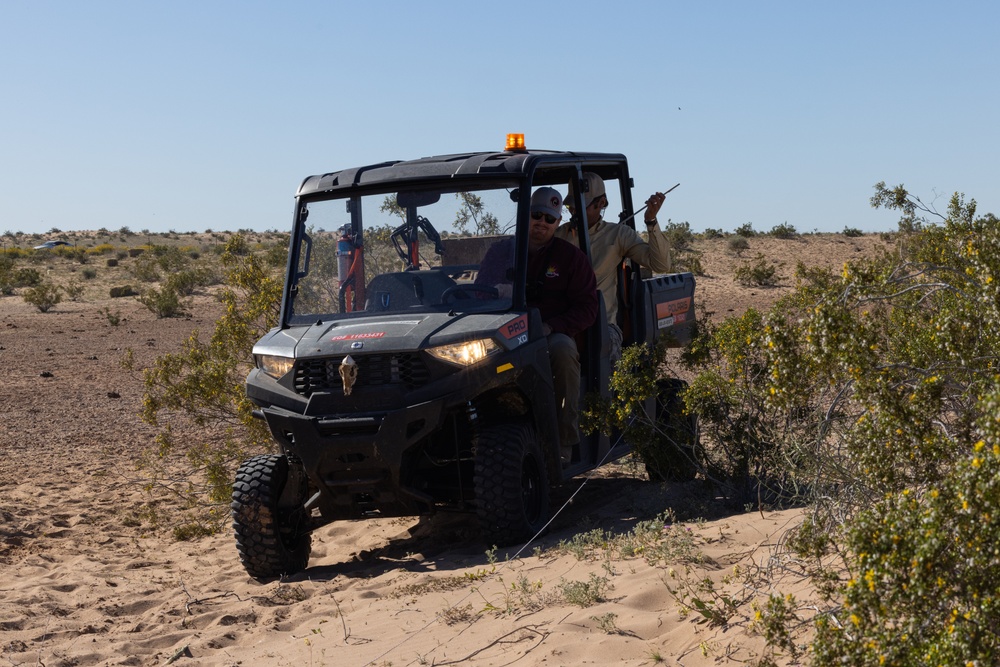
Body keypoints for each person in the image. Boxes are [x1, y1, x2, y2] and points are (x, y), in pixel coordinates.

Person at [476, 187, 598, 463]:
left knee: (563, 352)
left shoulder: (571, 258)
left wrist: (552, 326)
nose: (541, 222)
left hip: (547, 334)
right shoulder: (500, 252)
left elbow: (588, 307)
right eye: (536, 215)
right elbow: (477, 295)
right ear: (524, 215)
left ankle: (563, 441)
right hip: (501, 333)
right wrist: (498, 292)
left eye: (549, 218)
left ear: (557, 223)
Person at [556, 173, 673, 361]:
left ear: (601, 203)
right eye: (571, 205)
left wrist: (650, 221)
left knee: (605, 344)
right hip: (563, 321)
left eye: (582, 205)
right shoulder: (558, 236)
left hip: (602, 324)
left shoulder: (618, 234)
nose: (574, 211)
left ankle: (611, 390)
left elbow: (661, 264)